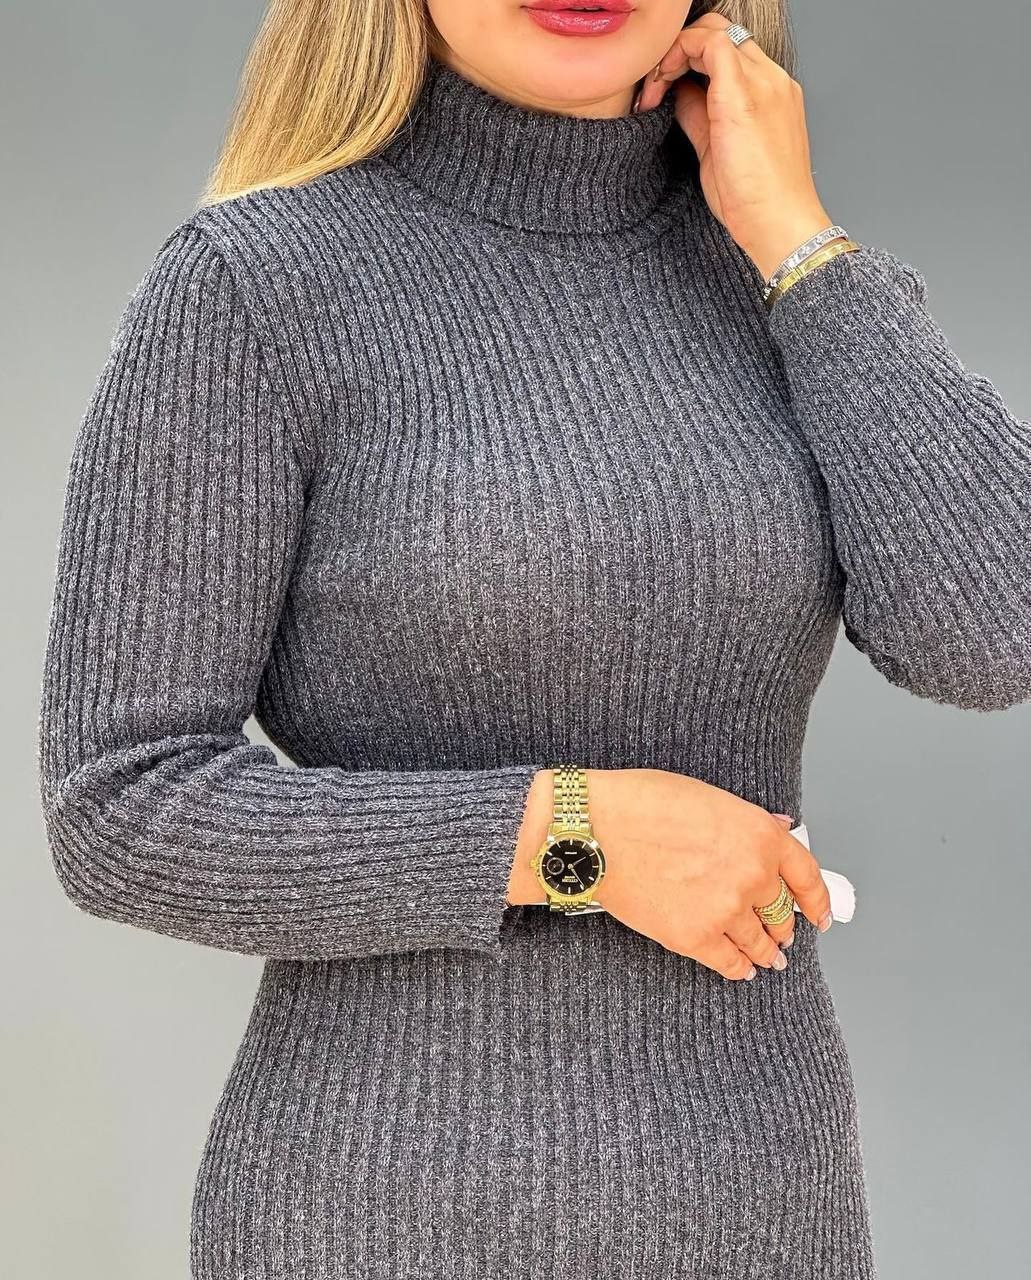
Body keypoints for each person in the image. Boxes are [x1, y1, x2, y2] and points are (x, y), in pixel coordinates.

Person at [37, 1, 1031, 1276]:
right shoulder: (255, 285)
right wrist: (573, 837)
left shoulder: (783, 279)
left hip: (760, 1208)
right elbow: (121, 808)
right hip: (381, 1219)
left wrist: (799, 240)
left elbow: (989, 636)